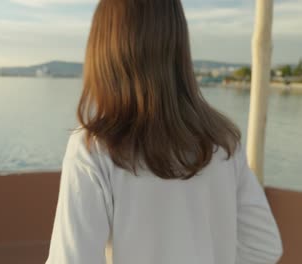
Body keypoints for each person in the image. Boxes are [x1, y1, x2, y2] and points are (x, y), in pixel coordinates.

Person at [45, 0, 283, 263]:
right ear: (179, 47)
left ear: (103, 50)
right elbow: (264, 247)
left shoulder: (94, 148)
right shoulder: (223, 140)